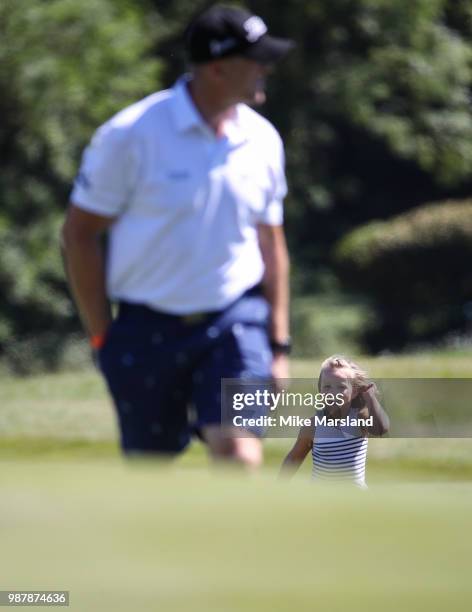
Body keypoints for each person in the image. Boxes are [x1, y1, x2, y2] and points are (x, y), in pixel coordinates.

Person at [62, 5, 294, 468]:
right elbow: (79, 235)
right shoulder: (130, 135)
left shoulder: (263, 139)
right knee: (153, 470)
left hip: (235, 320)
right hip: (146, 327)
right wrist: (101, 336)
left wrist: (278, 345)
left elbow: (272, 244)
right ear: (217, 67)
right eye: (256, 59)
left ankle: (240, 543)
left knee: (240, 453)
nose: (266, 69)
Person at [280, 356, 390, 486]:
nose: (333, 393)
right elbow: (294, 458)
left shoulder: (359, 418)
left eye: (341, 387)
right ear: (320, 390)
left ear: (353, 392)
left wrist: (370, 398)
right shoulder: (313, 426)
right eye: (327, 387)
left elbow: (381, 429)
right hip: (320, 499)